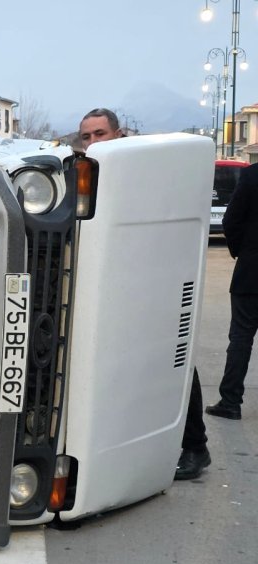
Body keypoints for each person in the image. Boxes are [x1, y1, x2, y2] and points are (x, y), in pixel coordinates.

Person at [78, 108, 211, 480]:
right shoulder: (83, 175)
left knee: (172, 359)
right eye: (85, 136)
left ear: (118, 134)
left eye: (99, 134)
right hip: (112, 286)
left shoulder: (140, 172)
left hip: (151, 282)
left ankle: (195, 446)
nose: (92, 143)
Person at [207, 161, 258, 420]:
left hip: (251, 274)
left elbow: (231, 220)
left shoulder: (251, 175)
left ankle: (230, 401)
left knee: (240, 338)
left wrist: (242, 252)